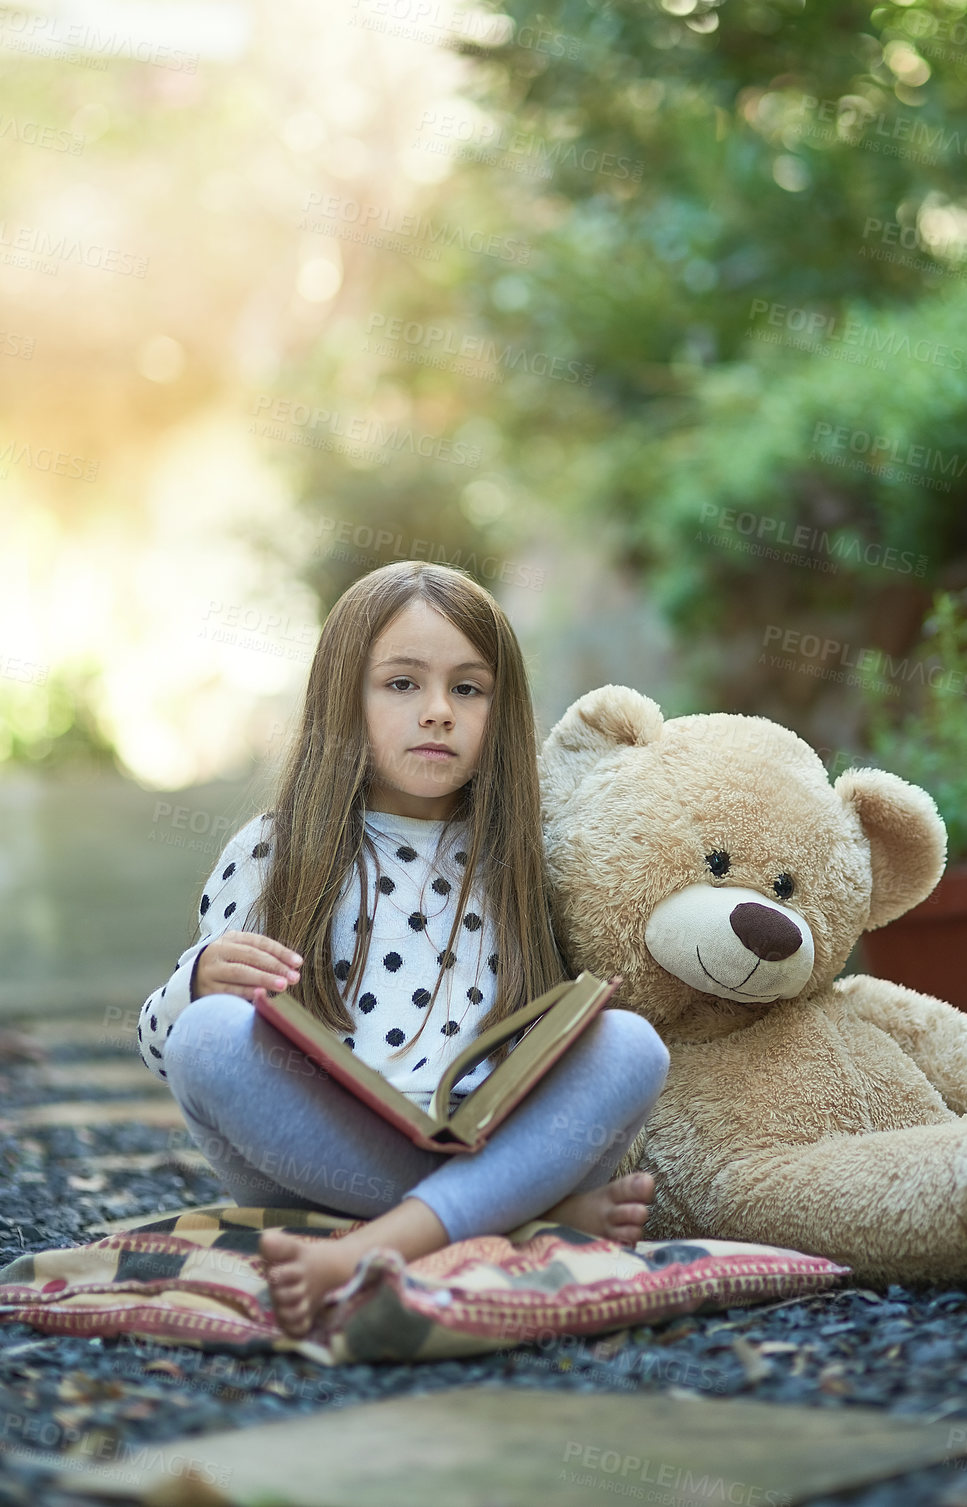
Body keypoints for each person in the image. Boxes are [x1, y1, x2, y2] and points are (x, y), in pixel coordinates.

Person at [138, 561, 669, 1337]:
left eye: (467, 688)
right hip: (326, 1158)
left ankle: (388, 1241)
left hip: (490, 1135)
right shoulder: (271, 850)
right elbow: (161, 1044)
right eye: (400, 684)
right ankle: (520, 1213)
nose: (436, 712)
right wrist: (199, 980)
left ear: (501, 707)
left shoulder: (521, 857)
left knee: (632, 1045)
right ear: (343, 700)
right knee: (205, 1039)